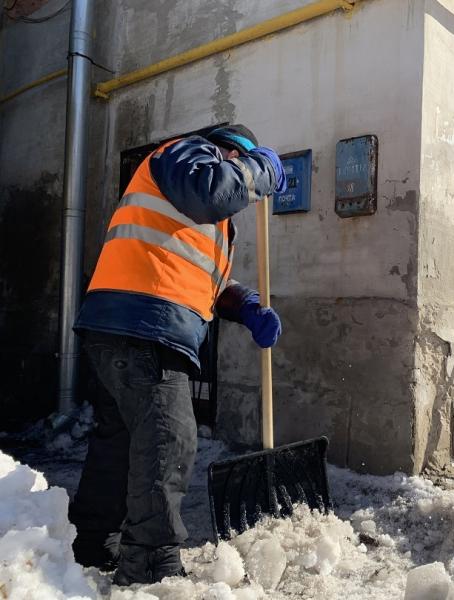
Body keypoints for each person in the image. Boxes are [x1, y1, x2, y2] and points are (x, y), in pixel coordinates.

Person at [68, 125, 287, 585]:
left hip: (126, 323)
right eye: (239, 161)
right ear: (229, 151)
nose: (242, 176)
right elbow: (214, 189)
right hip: (144, 324)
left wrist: (245, 305)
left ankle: (93, 547)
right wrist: (260, 167)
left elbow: (207, 281)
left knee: (124, 443)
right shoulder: (188, 155)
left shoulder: (204, 213)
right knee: (169, 440)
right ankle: (151, 568)